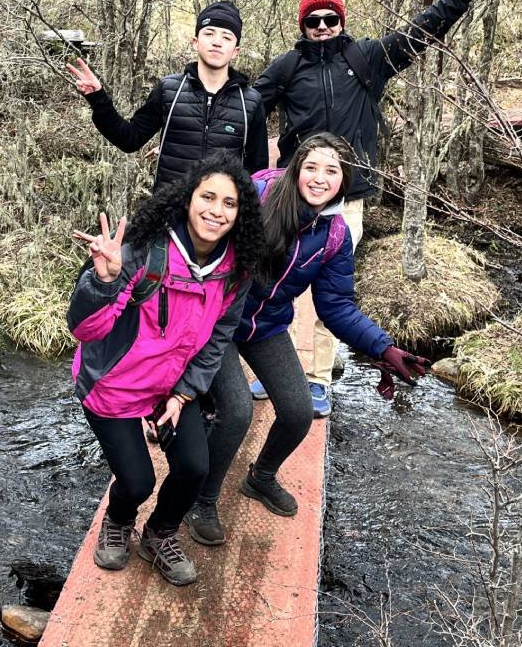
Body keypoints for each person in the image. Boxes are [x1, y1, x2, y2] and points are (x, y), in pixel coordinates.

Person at [252, 0, 497, 415]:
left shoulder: (365, 58)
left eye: (330, 18)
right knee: (275, 284)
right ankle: (273, 368)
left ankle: (316, 378)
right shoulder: (287, 67)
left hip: (345, 198)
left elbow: (420, 33)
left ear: (342, 21)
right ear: (302, 26)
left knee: (328, 291)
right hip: (289, 196)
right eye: (313, 20)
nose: (323, 27)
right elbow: (244, 108)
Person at [183, 133, 431, 546]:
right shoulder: (258, 196)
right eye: (312, 167)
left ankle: (260, 477)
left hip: (268, 327)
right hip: (219, 324)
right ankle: (203, 499)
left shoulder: (333, 236)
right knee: (238, 410)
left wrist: (383, 347)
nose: (319, 178)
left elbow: (336, 306)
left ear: (344, 180)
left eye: (331, 171)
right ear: (297, 166)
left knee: (299, 412)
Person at [67, 154, 264, 585]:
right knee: (136, 482)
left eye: (229, 203)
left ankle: (159, 533)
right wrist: (104, 282)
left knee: (194, 467)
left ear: (240, 213)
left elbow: (218, 338)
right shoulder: (143, 249)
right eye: (207, 197)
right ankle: (119, 521)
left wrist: (183, 394)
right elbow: (84, 328)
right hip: (112, 383)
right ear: (188, 199)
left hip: (168, 387)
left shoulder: (236, 270)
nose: (216, 210)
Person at [66, 1, 268, 189]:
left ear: (236, 51)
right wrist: (98, 99)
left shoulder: (249, 102)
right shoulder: (169, 89)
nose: (217, 42)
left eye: (226, 37)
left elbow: (258, 172)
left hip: (219, 217)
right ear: (195, 42)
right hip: (169, 211)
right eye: (209, 33)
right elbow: (130, 138)